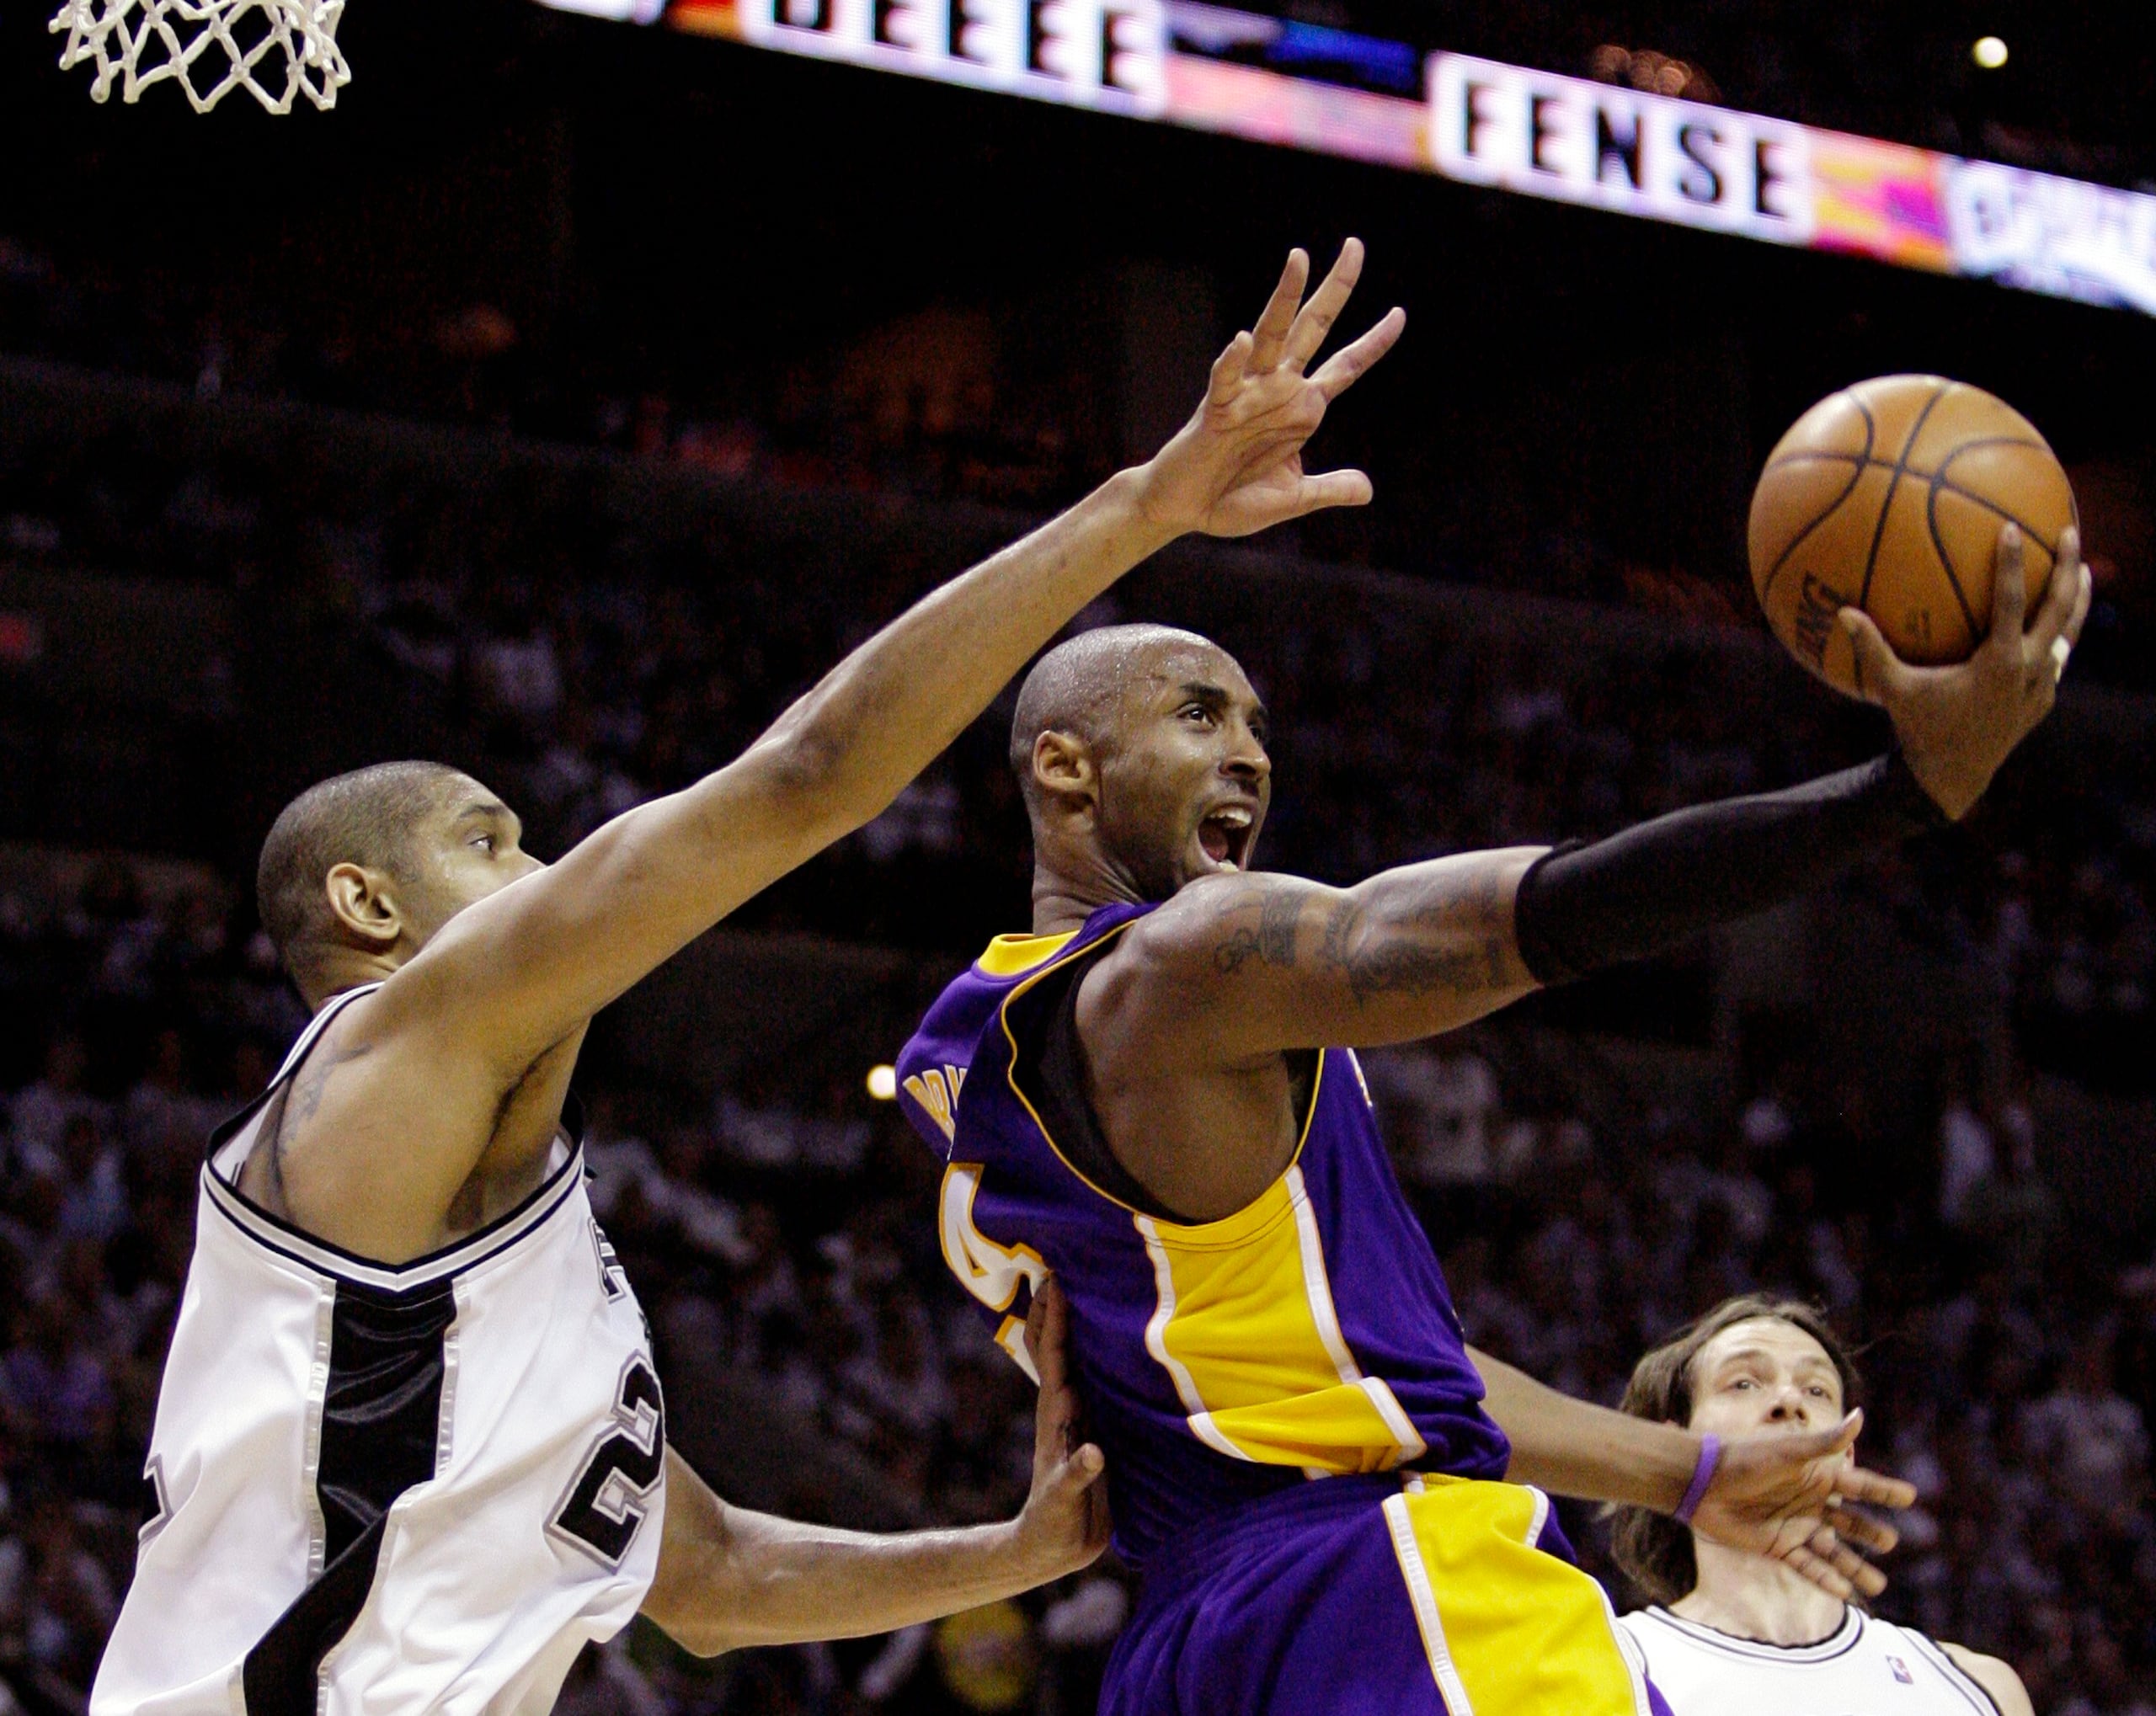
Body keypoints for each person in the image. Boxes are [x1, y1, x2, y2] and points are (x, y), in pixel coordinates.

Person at [89, 240, 1407, 1716]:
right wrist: (1141, 508)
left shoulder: (524, 1267)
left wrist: (1012, 1552)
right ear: (367, 903)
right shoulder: (395, 1042)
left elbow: (714, 1585)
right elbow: (807, 777)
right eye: (491, 838)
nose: (543, 870)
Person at [896, 518, 2089, 1713]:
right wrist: (1899, 792)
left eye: (1261, 726)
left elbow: (1400, 1391)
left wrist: (1687, 1470)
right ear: (1066, 767)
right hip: (1380, 1588)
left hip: (1187, 1648)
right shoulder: (1184, 964)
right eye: (1200, 714)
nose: (1252, 755)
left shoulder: (968, 1058)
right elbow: (1524, 912)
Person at [1611, 1297, 2032, 1716]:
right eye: (1743, 1383)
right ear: (1674, 1448)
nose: (1789, 1401)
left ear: (1847, 1454)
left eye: (1816, 1391)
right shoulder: (1614, 1668)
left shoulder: (1978, 1689)